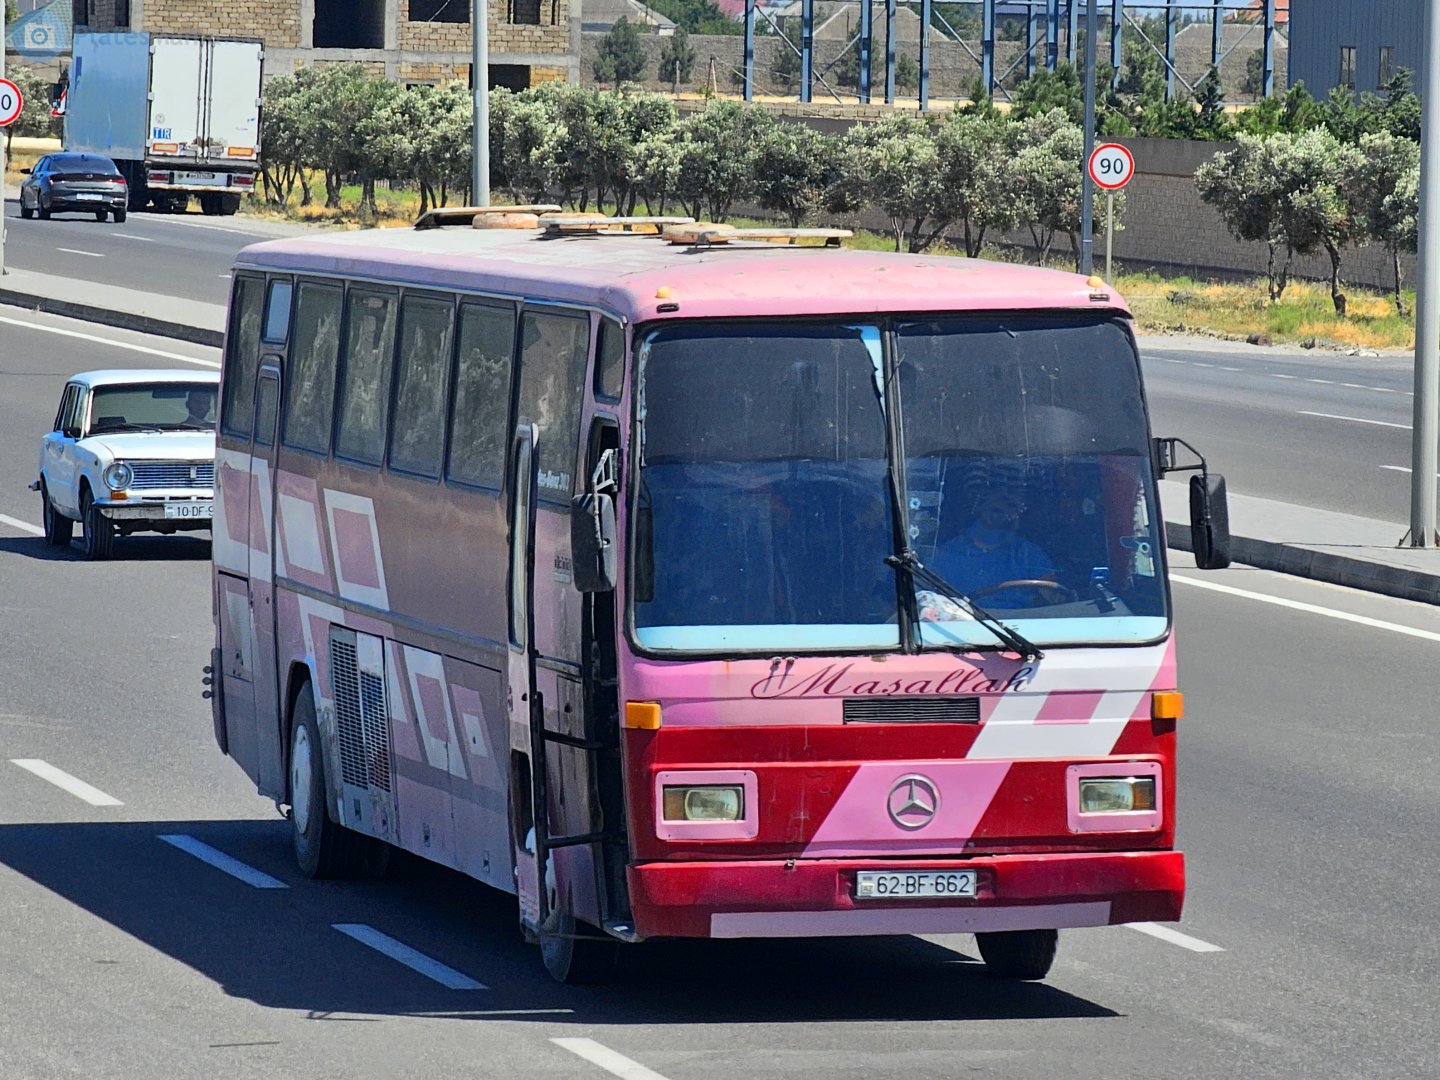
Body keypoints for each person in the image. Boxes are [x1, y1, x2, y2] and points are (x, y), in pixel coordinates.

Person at [929, 483, 1057, 607]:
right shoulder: (947, 553)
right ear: (979, 508)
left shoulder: (1028, 553)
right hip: (961, 624)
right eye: (996, 509)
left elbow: (1052, 595)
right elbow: (928, 599)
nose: (1003, 515)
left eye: (1010, 508)